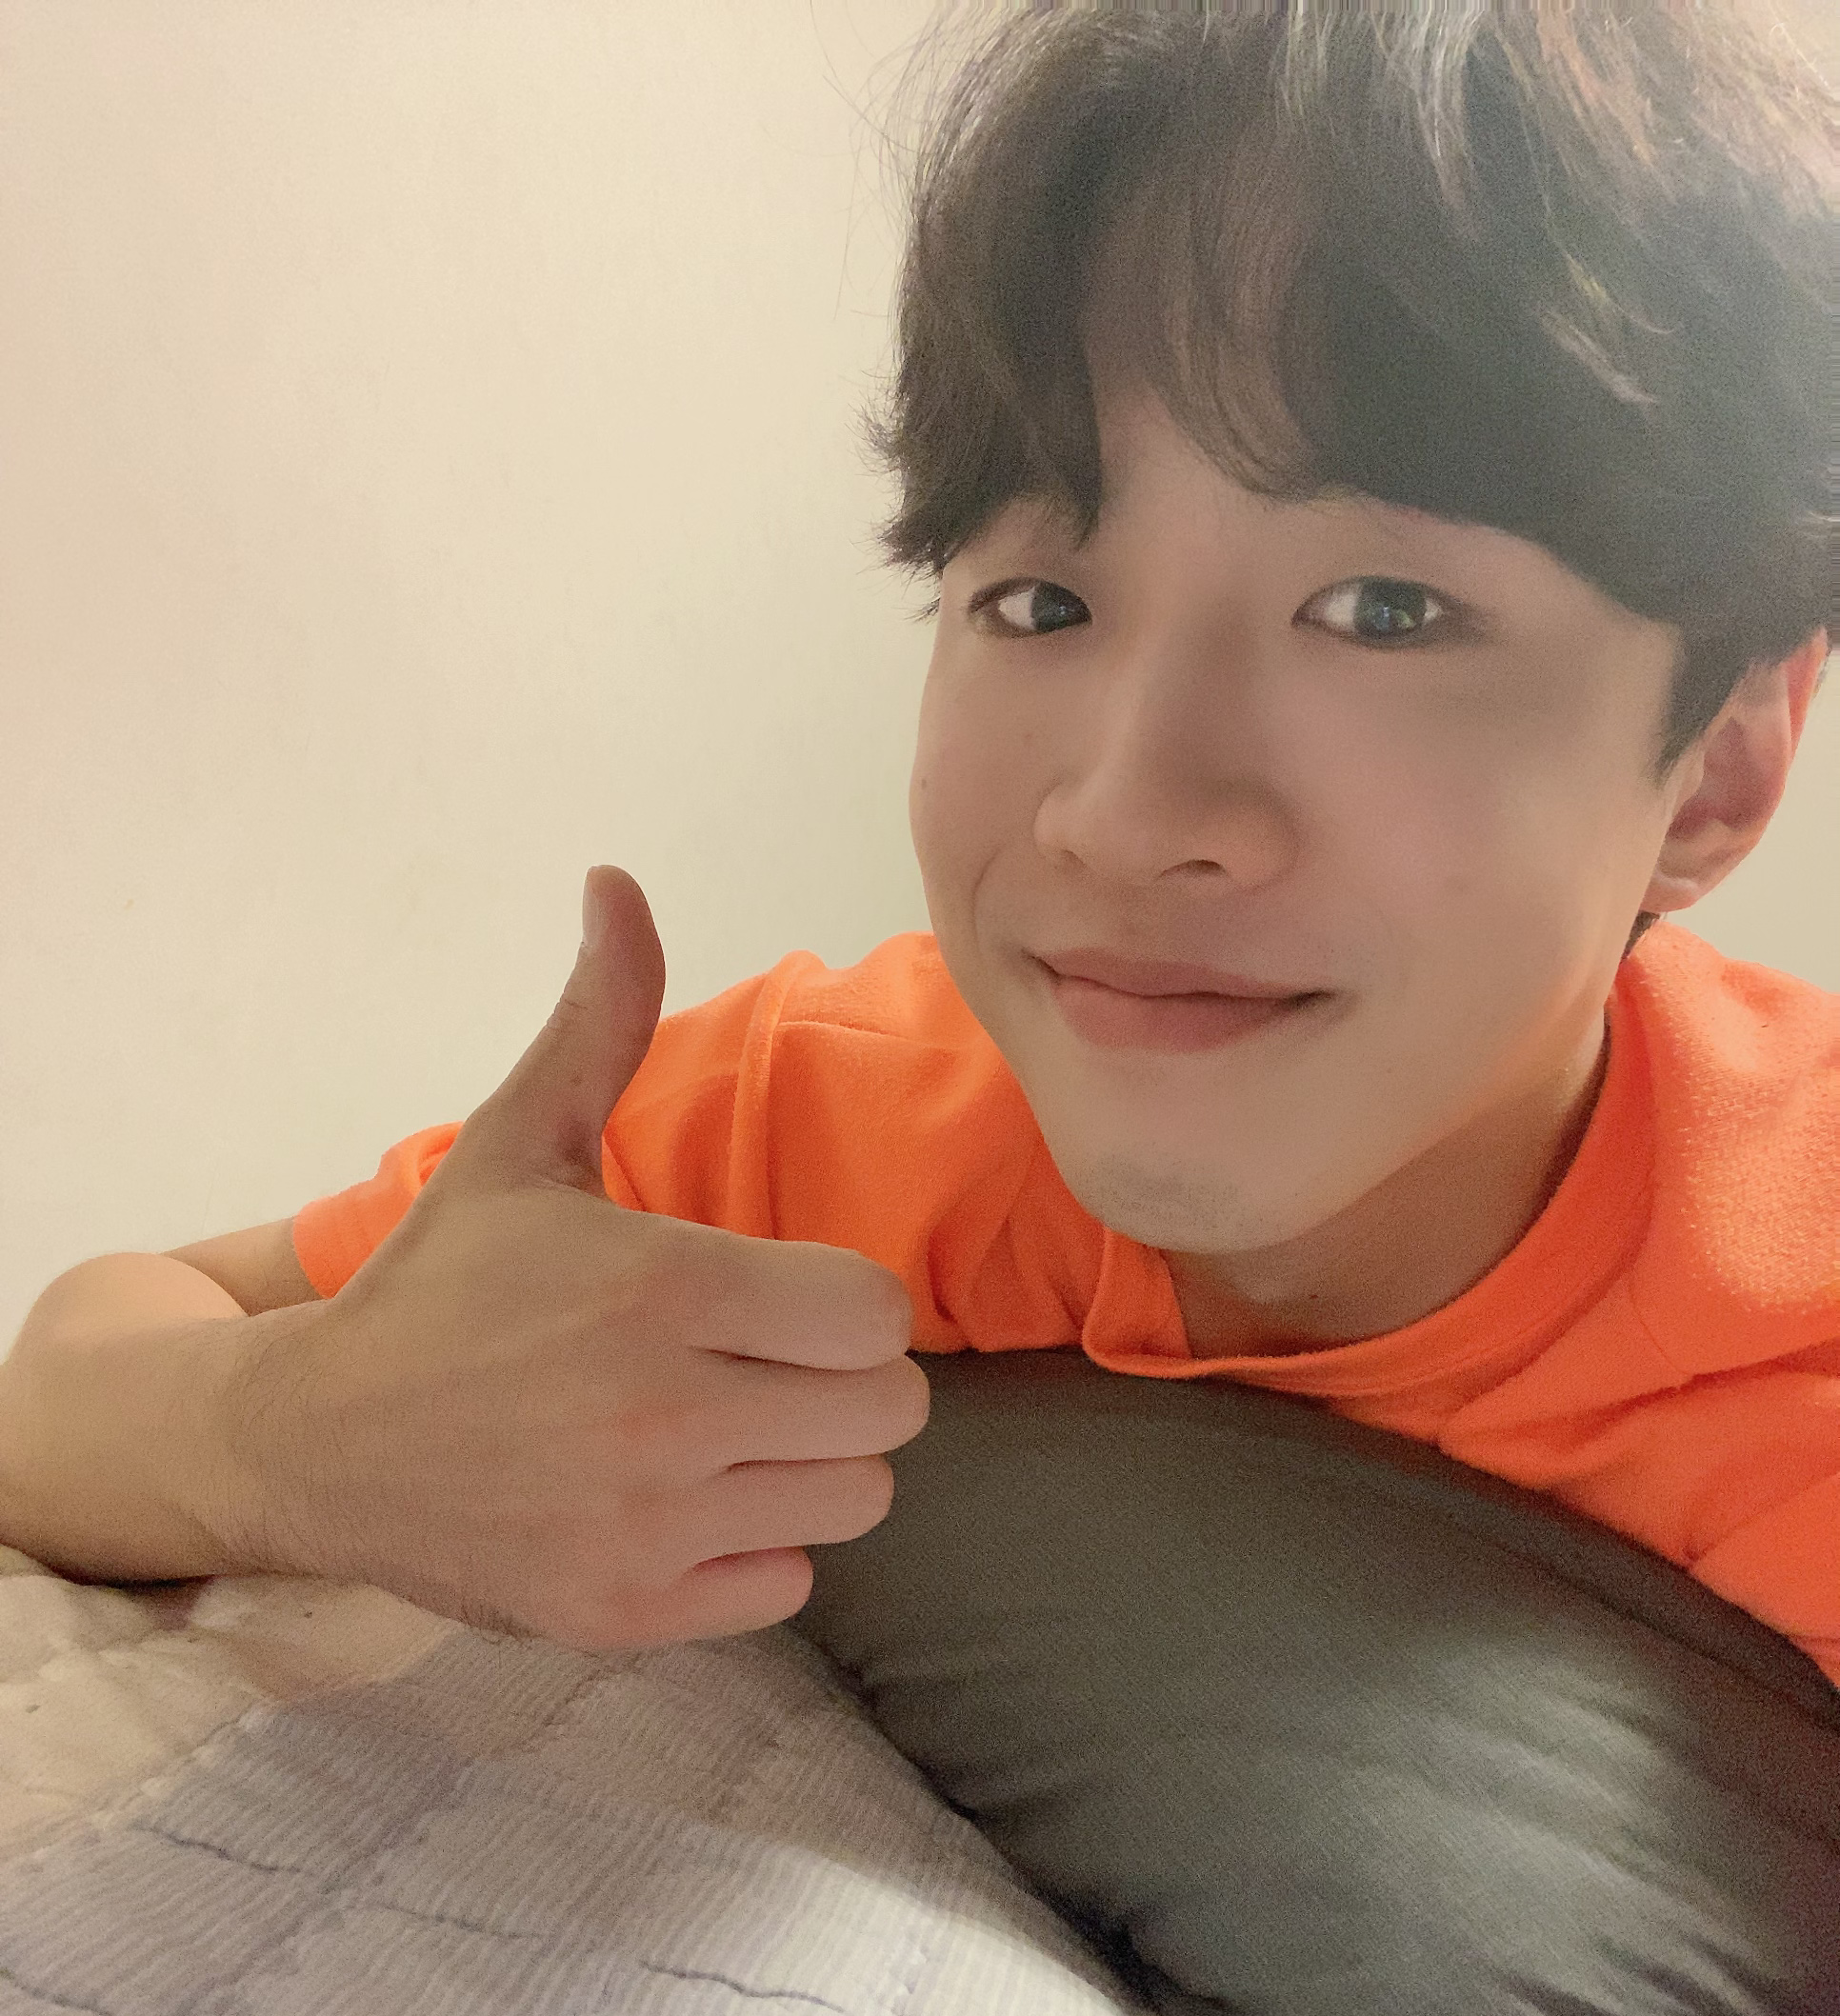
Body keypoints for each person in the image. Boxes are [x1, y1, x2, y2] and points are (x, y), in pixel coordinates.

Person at [1, 1, 1833, 1674]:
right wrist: (309, 1436)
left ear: (1723, 771)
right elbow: (84, 1368)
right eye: (1040, 603)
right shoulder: (843, 1127)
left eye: (1385, 613)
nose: (1122, 813)